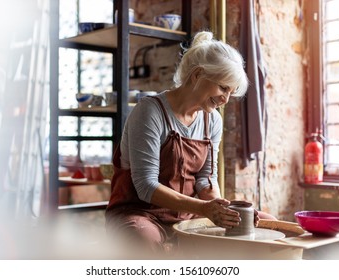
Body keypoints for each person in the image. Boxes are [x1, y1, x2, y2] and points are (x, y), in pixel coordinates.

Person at [105, 31, 274, 257]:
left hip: (186, 213)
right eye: (223, 88)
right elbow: (145, 186)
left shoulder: (211, 118)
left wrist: (223, 209)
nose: (225, 100)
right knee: (143, 238)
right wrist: (204, 209)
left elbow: (206, 180)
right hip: (139, 212)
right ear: (197, 75)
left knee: (268, 223)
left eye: (230, 93)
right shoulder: (149, 112)